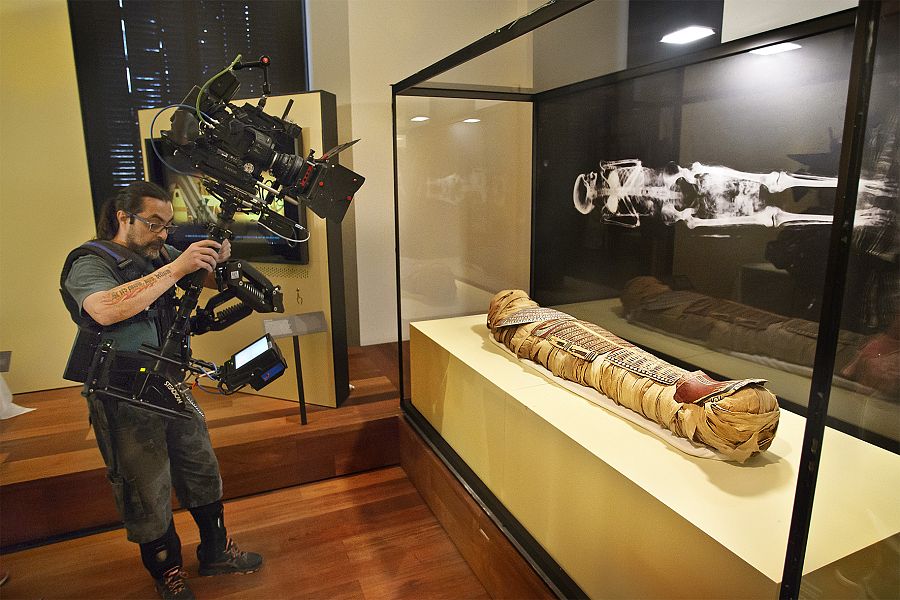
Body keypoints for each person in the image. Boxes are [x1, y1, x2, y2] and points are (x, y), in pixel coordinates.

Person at [61, 181, 262, 599]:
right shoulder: (90, 261)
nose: (163, 234)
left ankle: (216, 552)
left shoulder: (160, 253)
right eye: (154, 224)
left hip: (169, 381)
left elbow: (203, 281)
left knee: (201, 468)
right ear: (124, 217)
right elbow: (104, 308)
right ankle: (167, 572)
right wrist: (177, 267)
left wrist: (215, 260)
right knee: (145, 488)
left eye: (168, 225)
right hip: (121, 393)